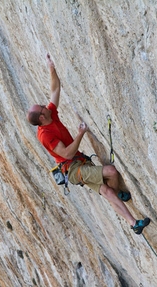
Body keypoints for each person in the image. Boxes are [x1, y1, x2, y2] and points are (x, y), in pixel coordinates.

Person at [27, 53, 150, 235]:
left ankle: (133, 223)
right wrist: (80, 134)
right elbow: (67, 154)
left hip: (79, 163)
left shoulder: (50, 114)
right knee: (111, 172)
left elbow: (55, 90)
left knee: (108, 192)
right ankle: (123, 205)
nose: (46, 106)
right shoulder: (45, 135)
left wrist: (51, 68)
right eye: (43, 108)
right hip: (73, 168)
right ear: (42, 117)